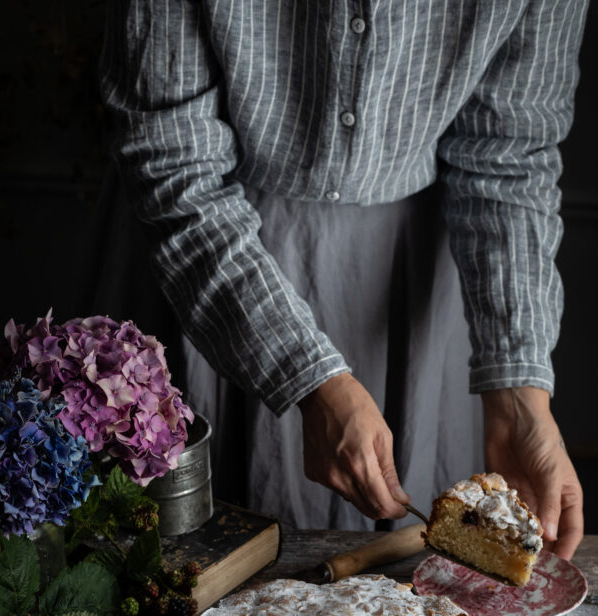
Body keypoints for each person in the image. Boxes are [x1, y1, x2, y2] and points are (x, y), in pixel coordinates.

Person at [96, 1, 587, 558]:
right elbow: (172, 159)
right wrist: (306, 376)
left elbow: (509, 157)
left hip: (414, 281)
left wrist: (519, 400)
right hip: (208, 256)